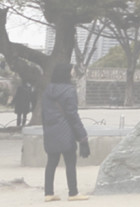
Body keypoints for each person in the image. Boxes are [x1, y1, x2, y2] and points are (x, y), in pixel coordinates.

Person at [41, 62, 89, 202]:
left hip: (50, 130)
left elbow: (44, 113)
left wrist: (46, 130)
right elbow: (72, 115)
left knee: (51, 162)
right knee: (70, 162)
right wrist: (82, 136)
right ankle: (73, 193)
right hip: (66, 130)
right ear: (65, 73)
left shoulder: (48, 89)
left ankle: (48, 193)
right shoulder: (69, 90)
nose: (73, 72)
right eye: (71, 70)